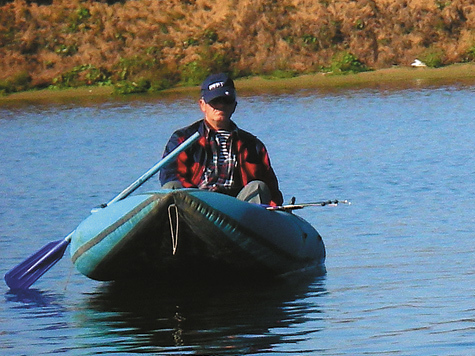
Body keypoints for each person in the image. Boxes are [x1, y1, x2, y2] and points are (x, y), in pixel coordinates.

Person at [159, 73, 283, 206]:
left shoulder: (253, 145)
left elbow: (271, 189)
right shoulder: (182, 139)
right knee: (171, 187)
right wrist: (199, 200)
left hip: (237, 208)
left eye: (226, 101)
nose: (221, 106)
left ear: (234, 105)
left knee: (258, 187)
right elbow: (170, 175)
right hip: (196, 203)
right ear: (202, 105)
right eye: (215, 101)